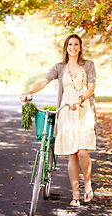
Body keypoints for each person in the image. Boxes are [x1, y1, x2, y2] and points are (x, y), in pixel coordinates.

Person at [20, 34, 97, 207]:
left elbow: (91, 87)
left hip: (83, 110)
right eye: (70, 44)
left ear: (80, 47)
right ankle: (75, 194)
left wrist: (81, 98)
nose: (73, 47)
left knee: (83, 152)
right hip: (67, 113)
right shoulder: (59, 67)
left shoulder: (89, 65)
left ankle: (88, 185)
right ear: (66, 47)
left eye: (76, 44)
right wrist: (29, 92)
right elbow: (44, 81)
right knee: (72, 154)